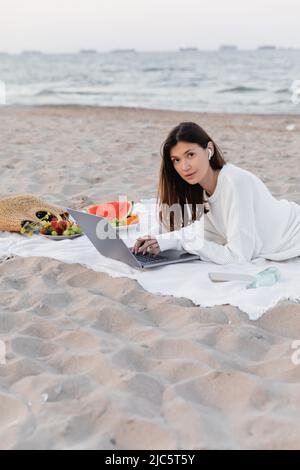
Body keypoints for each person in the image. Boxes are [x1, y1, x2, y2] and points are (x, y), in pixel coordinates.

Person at [132, 122, 300, 265]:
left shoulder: (234, 182)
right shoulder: (200, 187)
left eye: (190, 155)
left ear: (209, 149)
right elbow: (203, 232)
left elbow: (238, 257)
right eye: (177, 160)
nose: (184, 167)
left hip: (293, 234)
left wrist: (182, 241)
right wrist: (160, 240)